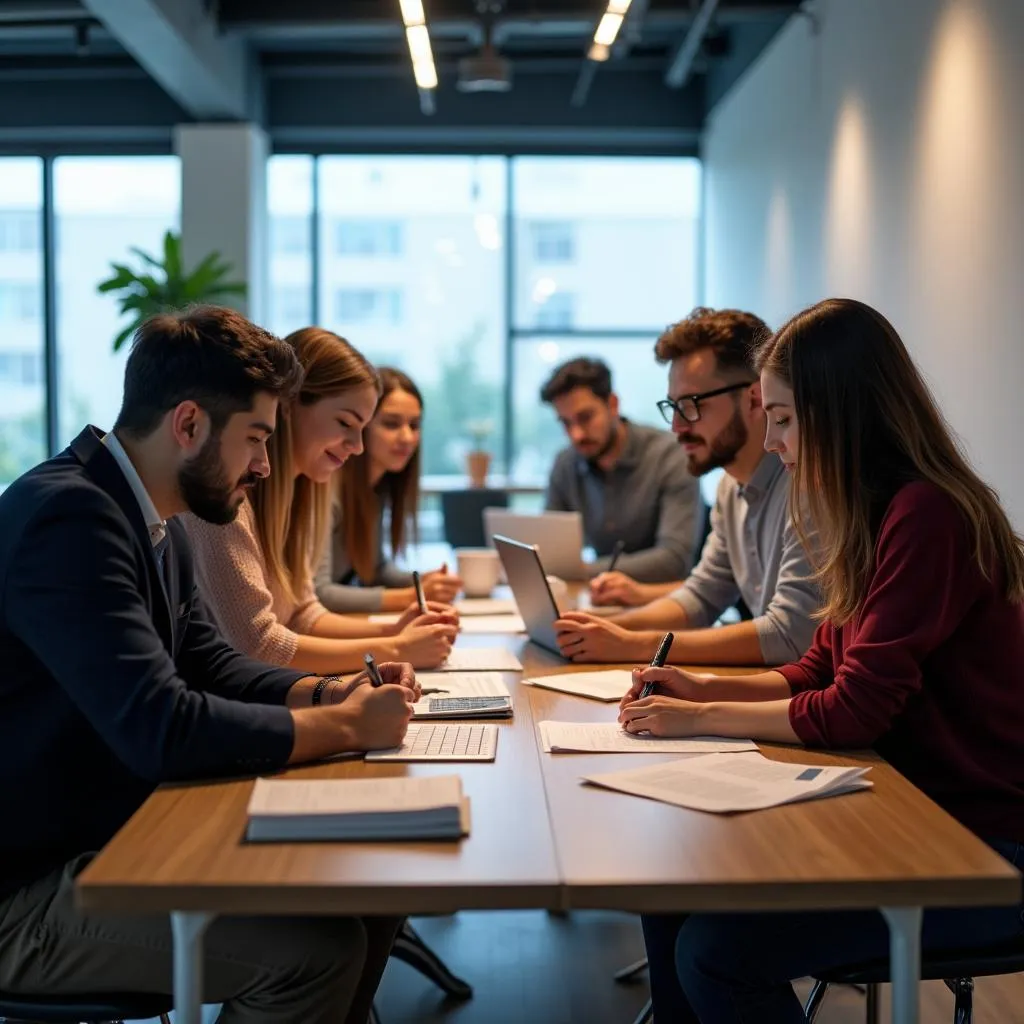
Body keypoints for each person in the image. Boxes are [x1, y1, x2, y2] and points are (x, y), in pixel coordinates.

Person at [0, 306, 419, 1023]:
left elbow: (213, 662)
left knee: (370, 894)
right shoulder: (68, 519)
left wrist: (326, 692)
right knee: (317, 953)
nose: (264, 463)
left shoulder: (153, 516)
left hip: (112, 836)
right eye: (256, 438)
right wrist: (347, 728)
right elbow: (161, 725)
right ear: (189, 425)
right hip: (26, 892)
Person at [621, 298, 1024, 1023]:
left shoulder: (927, 515)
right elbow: (819, 668)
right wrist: (700, 685)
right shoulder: (867, 511)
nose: (772, 441)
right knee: (669, 887)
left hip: (983, 846)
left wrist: (697, 716)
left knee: (715, 954)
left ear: (841, 414)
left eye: (782, 418)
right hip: (912, 813)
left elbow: (855, 709)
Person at [555, 308, 820, 666]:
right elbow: (700, 598)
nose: (677, 426)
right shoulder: (730, 487)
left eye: (692, 405)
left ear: (754, 398)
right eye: (673, 407)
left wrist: (634, 645)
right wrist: (598, 626)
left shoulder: (808, 483)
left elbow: (791, 635)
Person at [185, 329, 458, 674]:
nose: (357, 446)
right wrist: (394, 647)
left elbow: (304, 613)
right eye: (345, 423)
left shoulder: (305, 491)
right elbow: (257, 645)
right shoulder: (230, 501)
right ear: (288, 407)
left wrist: (393, 631)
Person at [540, 356, 702, 582]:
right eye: (565, 423)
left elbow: (674, 560)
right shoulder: (565, 463)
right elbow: (551, 553)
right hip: (601, 598)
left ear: (613, 404)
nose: (576, 434)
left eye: (585, 418)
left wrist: (580, 570)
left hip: (663, 601)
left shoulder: (669, 455)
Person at [316, 367, 461, 613]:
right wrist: (412, 596)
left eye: (414, 425)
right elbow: (319, 593)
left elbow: (375, 570)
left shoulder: (377, 488)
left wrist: (423, 581)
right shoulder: (328, 490)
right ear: (362, 426)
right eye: (392, 424)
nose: (406, 437)